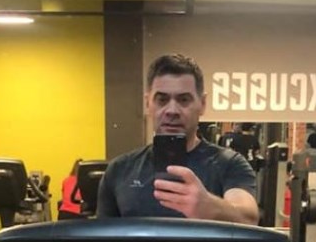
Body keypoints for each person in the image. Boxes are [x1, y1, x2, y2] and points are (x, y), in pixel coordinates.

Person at [97, 54, 259, 225]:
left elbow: (248, 218)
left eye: (183, 100)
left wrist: (208, 207)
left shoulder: (230, 164)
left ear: (202, 104)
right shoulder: (120, 170)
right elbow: (102, 237)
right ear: (147, 103)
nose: (172, 110)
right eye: (162, 100)